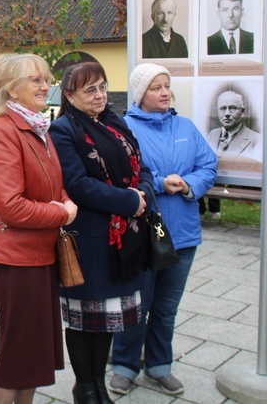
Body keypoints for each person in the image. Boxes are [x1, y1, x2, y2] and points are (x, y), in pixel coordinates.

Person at [0, 53, 77, 404]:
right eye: (36, 80)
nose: (46, 86)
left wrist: (61, 200)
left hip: (38, 253)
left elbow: (52, 182)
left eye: (46, 79)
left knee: (32, 354)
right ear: (11, 90)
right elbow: (12, 207)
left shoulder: (36, 127)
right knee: (18, 353)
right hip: (14, 257)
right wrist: (62, 213)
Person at [110, 63, 217, 396]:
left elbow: (208, 165)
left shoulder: (185, 126)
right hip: (141, 233)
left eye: (167, 86)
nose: (166, 92)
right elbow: (119, 176)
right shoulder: (124, 128)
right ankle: (125, 365)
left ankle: (158, 366)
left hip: (183, 234)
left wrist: (189, 185)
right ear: (141, 93)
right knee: (136, 305)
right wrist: (159, 182)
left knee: (166, 307)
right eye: (157, 87)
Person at [49, 61, 152, 404]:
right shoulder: (63, 129)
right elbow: (77, 184)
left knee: (107, 316)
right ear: (69, 95)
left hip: (123, 240)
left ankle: (98, 386)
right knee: (84, 319)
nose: (100, 94)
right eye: (90, 89)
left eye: (103, 86)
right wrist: (129, 201)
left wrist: (145, 195)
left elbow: (142, 165)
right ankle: (85, 387)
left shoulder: (115, 122)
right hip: (91, 239)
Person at [206, 91, 261, 160]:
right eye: (223, 108)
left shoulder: (257, 140)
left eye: (232, 108)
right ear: (218, 112)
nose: (227, 113)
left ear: (242, 112)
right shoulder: (212, 134)